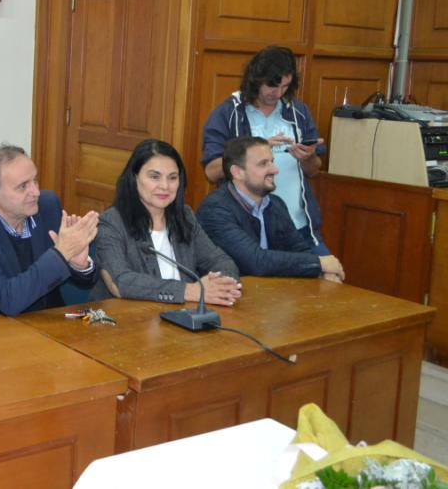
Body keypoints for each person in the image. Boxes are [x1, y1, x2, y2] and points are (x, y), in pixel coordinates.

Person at [201, 46, 327, 253]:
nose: (278, 93)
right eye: (272, 86)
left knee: (326, 269)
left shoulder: (298, 112)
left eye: (285, 86)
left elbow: (314, 170)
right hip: (249, 227)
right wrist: (257, 148)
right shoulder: (228, 113)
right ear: (256, 80)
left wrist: (307, 157)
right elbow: (211, 171)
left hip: (299, 226)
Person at [91, 139, 242, 306]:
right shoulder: (112, 222)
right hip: (131, 317)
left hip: (184, 314)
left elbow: (221, 261)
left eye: (172, 178)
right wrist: (190, 291)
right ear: (134, 177)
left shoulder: (184, 216)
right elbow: (121, 282)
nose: (165, 186)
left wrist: (222, 285)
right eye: (154, 177)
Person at [0, 144, 98, 316]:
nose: (36, 192)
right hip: (1, 328)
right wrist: (62, 254)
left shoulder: (48, 205)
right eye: (23, 186)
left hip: (51, 321)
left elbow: (87, 281)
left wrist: (79, 265)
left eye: (35, 180)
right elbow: (8, 300)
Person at [197, 137, 345, 282]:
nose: (275, 170)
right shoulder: (214, 210)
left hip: (275, 291)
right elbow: (255, 262)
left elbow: (300, 250)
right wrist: (319, 263)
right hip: (233, 292)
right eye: (263, 164)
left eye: (272, 161)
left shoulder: (276, 203)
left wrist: (321, 272)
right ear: (237, 172)